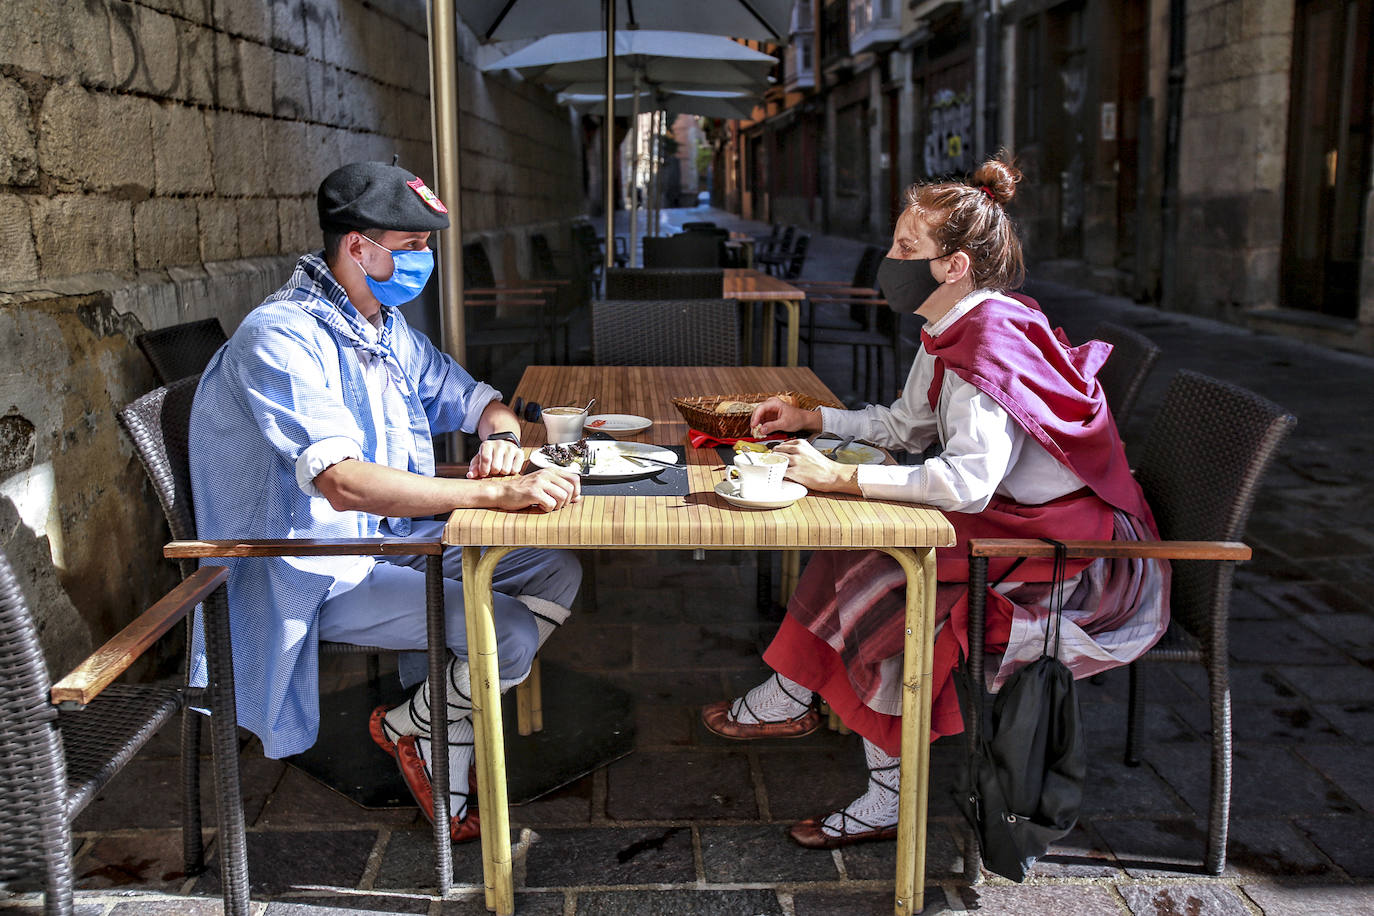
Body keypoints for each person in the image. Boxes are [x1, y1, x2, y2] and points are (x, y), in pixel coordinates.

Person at [700, 156, 1169, 848]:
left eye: (905, 249)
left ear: (953, 265)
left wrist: (842, 479)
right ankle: (793, 693)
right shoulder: (954, 325)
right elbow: (906, 428)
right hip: (1026, 528)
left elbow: (966, 483)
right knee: (859, 546)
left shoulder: (986, 348)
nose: (890, 260)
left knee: (894, 585)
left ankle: (887, 796)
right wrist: (815, 422)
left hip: (1084, 564)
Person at [189, 161, 584, 844]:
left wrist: (499, 436)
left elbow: (475, 399)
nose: (423, 261)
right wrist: (492, 489)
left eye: (427, 246)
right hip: (309, 566)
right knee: (507, 635)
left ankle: (416, 721)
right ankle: (427, 729)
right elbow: (343, 482)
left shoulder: (383, 327)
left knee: (556, 568)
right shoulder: (281, 337)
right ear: (355, 247)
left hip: (389, 541)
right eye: (410, 247)